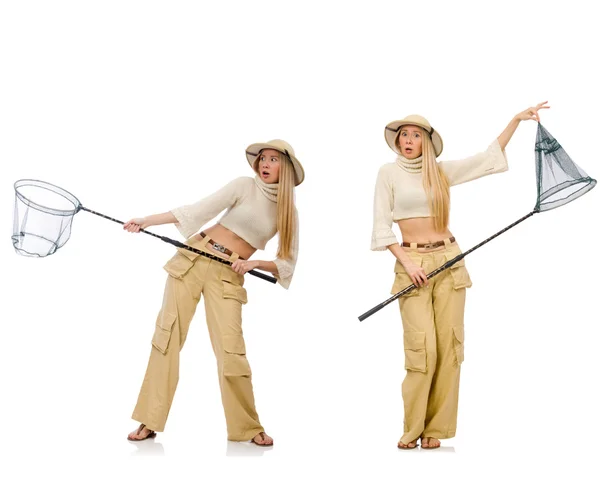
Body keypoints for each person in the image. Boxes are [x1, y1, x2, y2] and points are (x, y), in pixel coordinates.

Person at [371, 103, 549, 449]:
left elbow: (486, 160)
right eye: (403, 135)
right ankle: (412, 429)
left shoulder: (438, 172)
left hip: (450, 260)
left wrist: (514, 120)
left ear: (427, 142)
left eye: (415, 135)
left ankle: (436, 429)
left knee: (450, 347)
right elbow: (382, 228)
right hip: (413, 265)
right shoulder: (387, 174)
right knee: (422, 349)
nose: (408, 140)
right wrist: (408, 264)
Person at [125, 139, 303, 446]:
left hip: (229, 274)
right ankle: (148, 420)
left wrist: (253, 263)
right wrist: (146, 220)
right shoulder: (243, 185)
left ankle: (247, 427)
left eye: (273, 159)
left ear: (285, 167)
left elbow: (286, 263)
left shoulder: (288, 212)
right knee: (167, 337)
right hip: (194, 256)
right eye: (262, 158)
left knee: (231, 351)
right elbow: (197, 210)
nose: (265, 163)